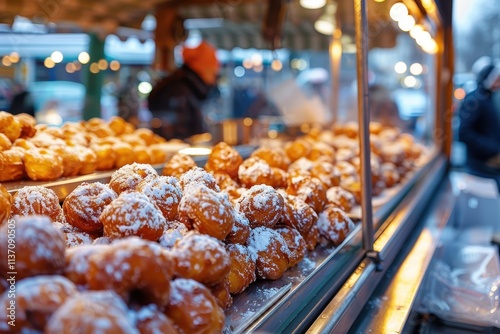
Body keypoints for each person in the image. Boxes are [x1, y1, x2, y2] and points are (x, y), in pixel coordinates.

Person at [147, 40, 220, 140]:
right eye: (213, 71)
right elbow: (179, 134)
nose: (214, 79)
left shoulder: (189, 86)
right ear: (203, 68)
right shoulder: (180, 90)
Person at [458, 60, 500, 189]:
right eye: (497, 79)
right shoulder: (475, 100)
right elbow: (464, 133)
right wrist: (493, 150)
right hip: (480, 166)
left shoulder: (488, 98)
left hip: (490, 165)